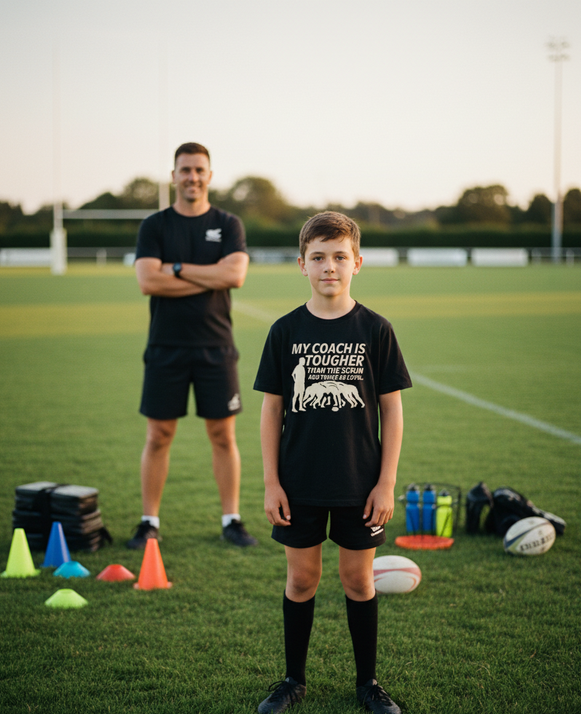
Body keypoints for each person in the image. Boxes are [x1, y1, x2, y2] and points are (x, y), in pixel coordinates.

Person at [253, 212, 412, 713]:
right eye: (318, 257)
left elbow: (392, 409)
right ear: (301, 264)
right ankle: (292, 679)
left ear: (357, 263)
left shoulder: (376, 330)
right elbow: (271, 409)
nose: (329, 267)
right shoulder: (285, 331)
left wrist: (385, 483)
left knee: (358, 580)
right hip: (298, 481)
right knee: (301, 579)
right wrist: (271, 482)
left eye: (339, 257)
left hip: (358, 481)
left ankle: (368, 683)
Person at [128, 142, 257, 550]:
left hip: (216, 347)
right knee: (159, 435)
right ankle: (149, 521)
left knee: (222, 435)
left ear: (210, 176)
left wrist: (178, 269)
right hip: (165, 347)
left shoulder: (228, 224)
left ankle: (231, 520)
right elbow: (148, 281)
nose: (192, 177)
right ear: (173, 176)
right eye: (185, 170)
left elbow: (234, 276)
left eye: (199, 170)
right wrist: (209, 274)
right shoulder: (155, 226)